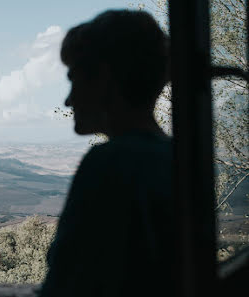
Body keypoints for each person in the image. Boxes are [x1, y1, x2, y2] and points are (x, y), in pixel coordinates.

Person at [39, 10, 175, 297]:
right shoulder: (175, 156)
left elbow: (66, 284)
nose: (68, 99)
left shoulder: (110, 163)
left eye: (74, 79)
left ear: (104, 79)